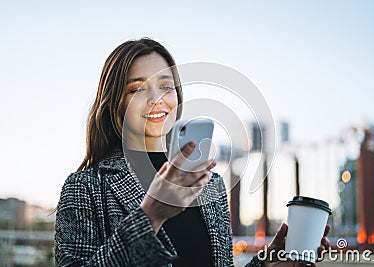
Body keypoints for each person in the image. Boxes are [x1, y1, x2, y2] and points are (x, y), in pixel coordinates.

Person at [54, 38, 330, 267]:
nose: (156, 98)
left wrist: (267, 263)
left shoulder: (210, 183)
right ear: (115, 103)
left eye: (166, 86)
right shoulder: (85, 186)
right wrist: (151, 216)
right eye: (137, 89)